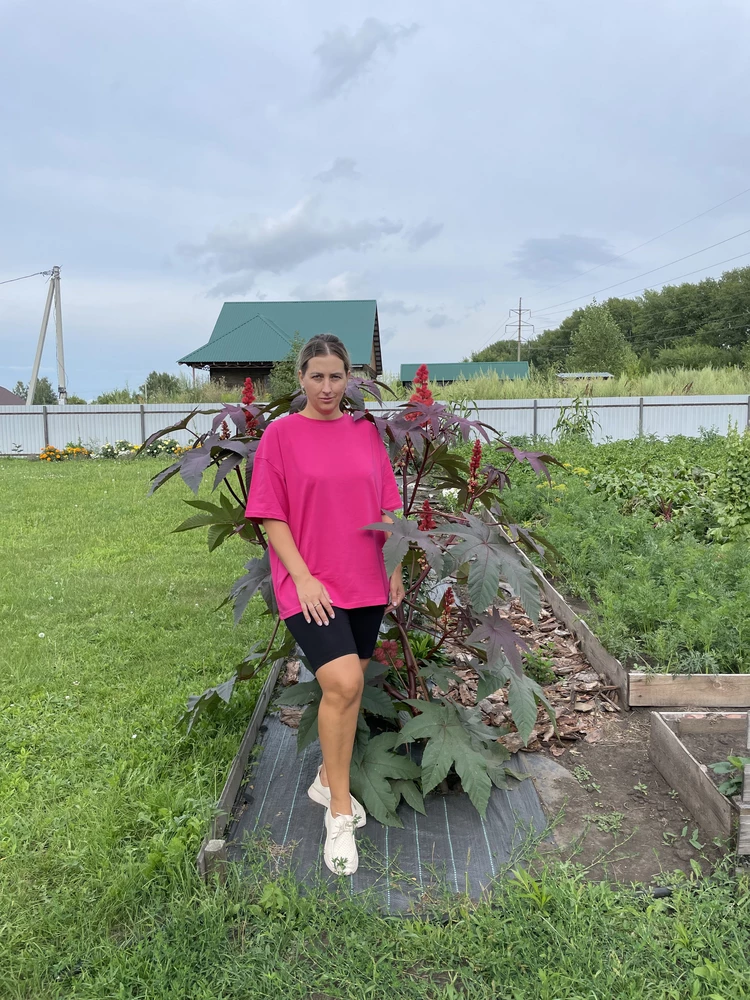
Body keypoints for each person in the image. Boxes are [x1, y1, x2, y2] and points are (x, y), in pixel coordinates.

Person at [244, 333, 405, 876]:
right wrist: (304, 578)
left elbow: (388, 502)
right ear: (301, 379)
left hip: (366, 581)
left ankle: (321, 781)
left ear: (350, 378)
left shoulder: (365, 433)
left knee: (350, 687)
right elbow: (270, 515)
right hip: (311, 587)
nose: (328, 387)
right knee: (343, 685)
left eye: (337, 376)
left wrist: (397, 567)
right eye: (317, 376)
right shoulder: (281, 436)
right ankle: (339, 812)